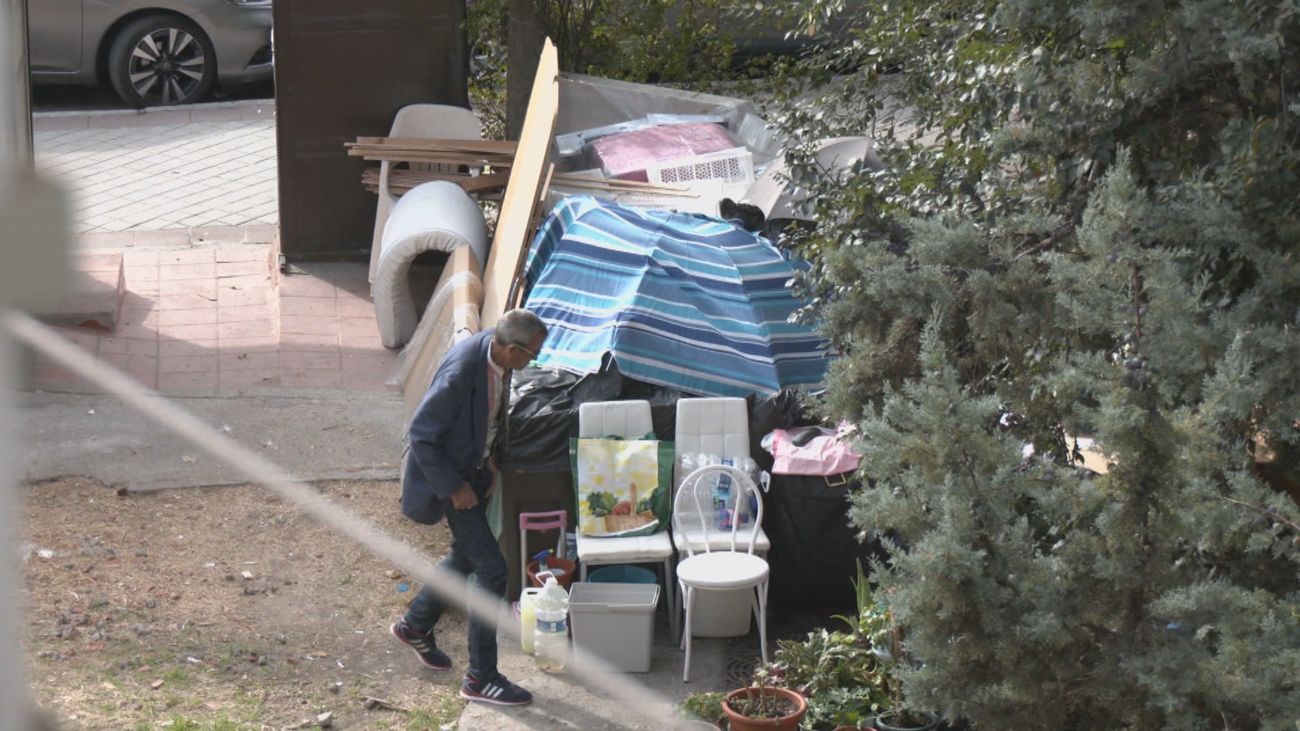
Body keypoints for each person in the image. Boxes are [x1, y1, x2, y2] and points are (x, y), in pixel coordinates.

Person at [391, 308, 547, 706]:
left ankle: (416, 624)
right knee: (493, 571)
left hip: (474, 473)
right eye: (532, 356)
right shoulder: (462, 371)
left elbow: (490, 416)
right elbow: (422, 435)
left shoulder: (499, 359)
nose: (534, 363)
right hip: (451, 480)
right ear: (511, 349)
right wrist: (453, 487)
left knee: (465, 556)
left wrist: (491, 460)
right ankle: (481, 678)